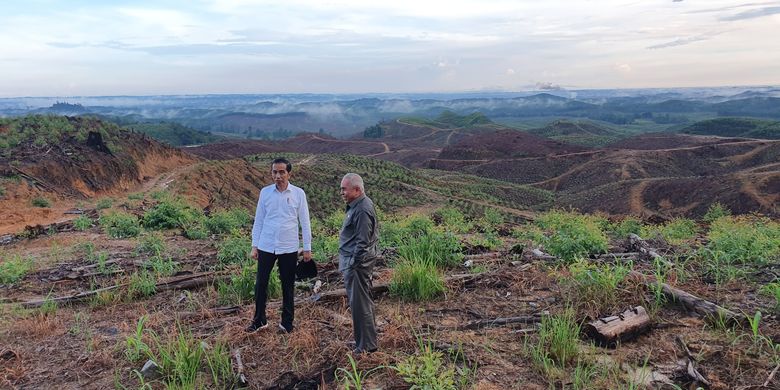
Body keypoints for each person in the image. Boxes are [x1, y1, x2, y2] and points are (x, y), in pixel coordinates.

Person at [246, 157, 312, 334]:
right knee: (261, 283)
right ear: (271, 173)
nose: (278, 175)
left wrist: (307, 248)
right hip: (266, 245)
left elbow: (305, 222)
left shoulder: (298, 194)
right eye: (275, 172)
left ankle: (287, 323)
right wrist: (255, 245)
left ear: (289, 173)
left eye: (282, 172)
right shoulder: (265, 193)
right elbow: (259, 221)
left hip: (288, 247)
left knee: (288, 285)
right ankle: (259, 320)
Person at [338, 173, 379, 354]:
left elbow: (363, 242)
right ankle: (362, 341)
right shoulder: (357, 205)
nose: (342, 193)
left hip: (357, 265)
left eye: (344, 189)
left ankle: (366, 346)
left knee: (360, 304)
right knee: (359, 303)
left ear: (357, 189)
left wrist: (353, 264)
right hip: (354, 262)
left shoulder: (362, 209)